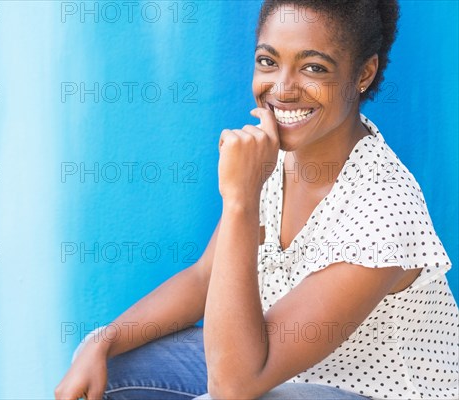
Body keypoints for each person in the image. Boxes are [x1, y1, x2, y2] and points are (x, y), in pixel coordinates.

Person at [55, 1, 459, 399]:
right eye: (268, 61)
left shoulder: (384, 210)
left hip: (369, 392)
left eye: (313, 67)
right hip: (279, 371)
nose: (282, 89)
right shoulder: (274, 156)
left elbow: (234, 386)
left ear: (363, 74)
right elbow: (204, 279)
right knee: (104, 366)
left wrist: (239, 200)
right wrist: (102, 342)